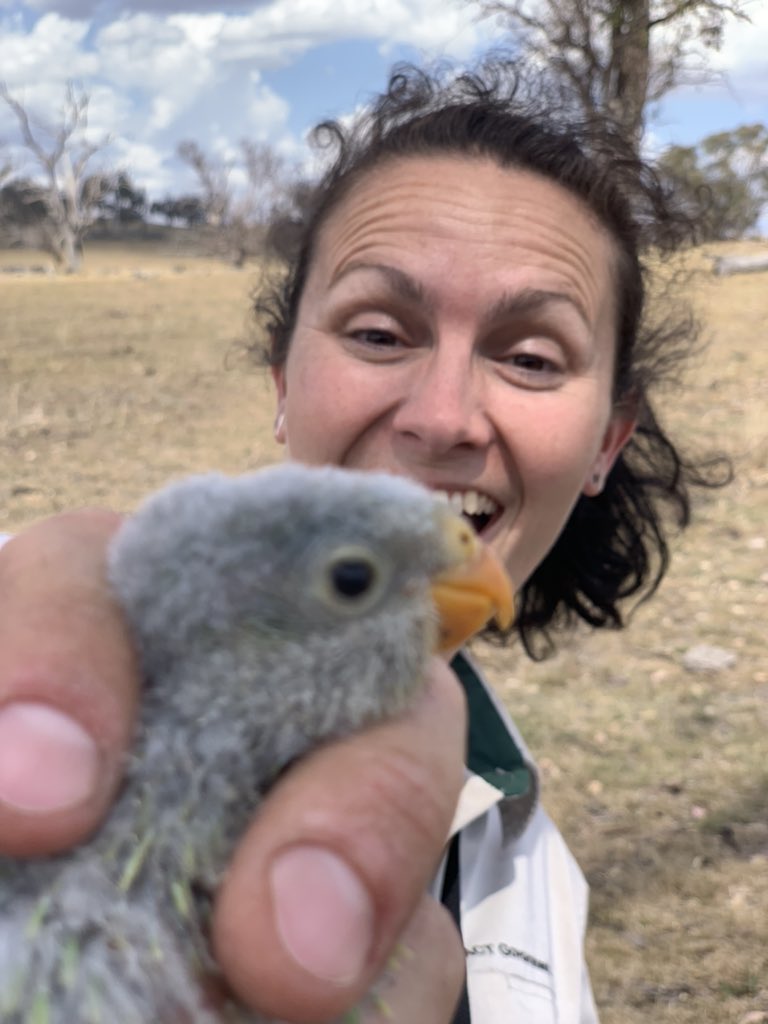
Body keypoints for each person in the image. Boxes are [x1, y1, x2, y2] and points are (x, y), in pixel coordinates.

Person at [0, 61, 725, 1023]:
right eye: (381, 334)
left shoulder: (530, 880)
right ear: (282, 383)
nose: (444, 417)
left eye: (530, 356)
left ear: (606, 441)